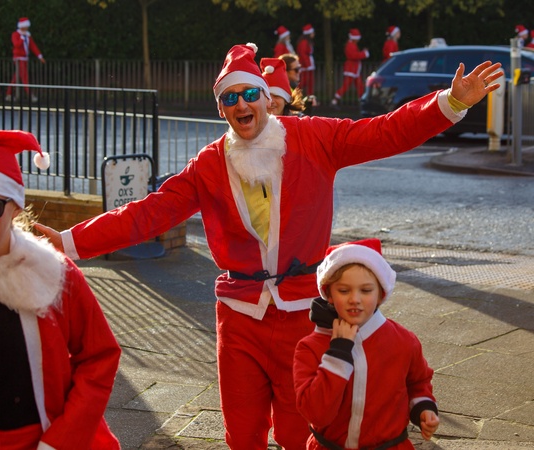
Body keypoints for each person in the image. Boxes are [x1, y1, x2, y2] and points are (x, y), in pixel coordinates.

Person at [35, 42, 501, 450]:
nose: (242, 103)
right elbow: (148, 213)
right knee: (242, 432)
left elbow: (384, 131)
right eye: (230, 97)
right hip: (238, 316)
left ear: (266, 99)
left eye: (249, 93)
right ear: (222, 109)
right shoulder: (208, 164)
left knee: (301, 430)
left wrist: (449, 104)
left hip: (303, 315)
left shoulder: (315, 138)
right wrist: (70, 241)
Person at [0, 130, 121, 449]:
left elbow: (99, 356)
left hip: (38, 442)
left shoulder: (56, 272)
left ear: (15, 207)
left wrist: (61, 440)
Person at [294, 239, 439, 449]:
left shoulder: (403, 341)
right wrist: (338, 353)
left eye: (366, 290)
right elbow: (316, 414)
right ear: (329, 294)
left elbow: (418, 383)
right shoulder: (310, 347)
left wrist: (423, 408)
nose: (355, 299)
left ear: (381, 294)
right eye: (344, 290)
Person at [5, 17, 46, 102]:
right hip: (18, 59)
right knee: (24, 77)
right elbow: (16, 45)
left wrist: (39, 56)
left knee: (16, 77)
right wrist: (22, 38)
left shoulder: (27, 35)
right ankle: (30, 95)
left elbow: (33, 46)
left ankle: (9, 94)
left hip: (25, 59)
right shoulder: (16, 34)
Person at [331, 28, 369, 107]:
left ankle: (362, 101)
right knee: (347, 86)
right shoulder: (350, 45)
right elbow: (354, 56)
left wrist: (363, 53)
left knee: (359, 86)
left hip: (354, 70)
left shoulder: (351, 44)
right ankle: (335, 100)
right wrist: (364, 53)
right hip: (351, 69)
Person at [296, 24, 316, 98]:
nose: (314, 34)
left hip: (308, 64)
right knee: (304, 81)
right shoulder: (304, 42)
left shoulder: (306, 41)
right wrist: (307, 64)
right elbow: (303, 53)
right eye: (312, 32)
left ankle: (310, 97)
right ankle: (296, 95)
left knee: (310, 81)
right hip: (306, 65)